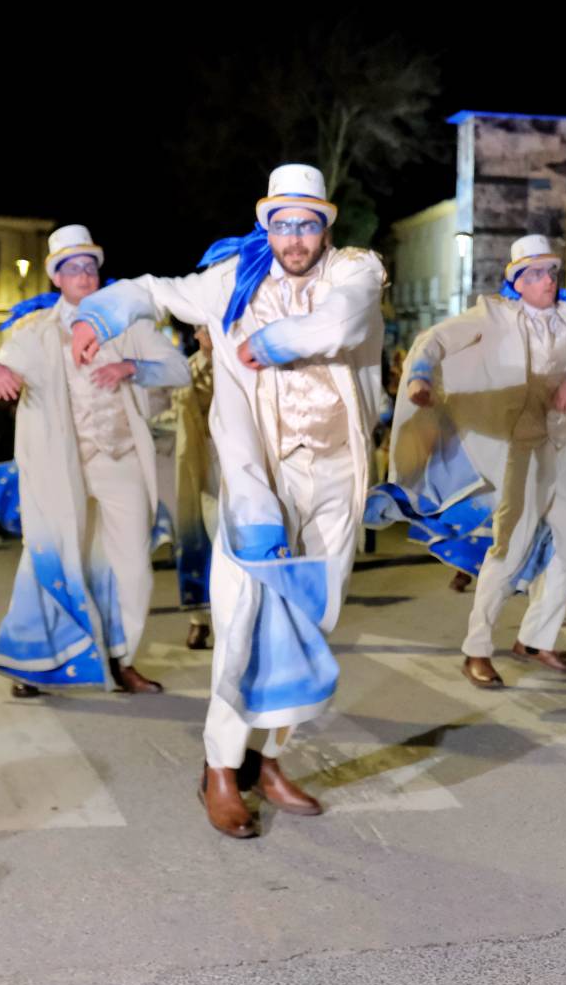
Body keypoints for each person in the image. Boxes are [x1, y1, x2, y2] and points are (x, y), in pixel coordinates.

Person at [71, 165, 387, 838]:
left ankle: (270, 758)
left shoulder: (355, 271)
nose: (295, 238)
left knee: (312, 625)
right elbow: (157, 289)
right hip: (258, 483)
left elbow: (340, 323)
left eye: (308, 224)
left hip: (335, 476)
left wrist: (268, 343)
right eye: (283, 224)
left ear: (325, 225)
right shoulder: (230, 284)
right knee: (241, 625)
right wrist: (101, 312)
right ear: (265, 224)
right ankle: (220, 768)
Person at [379, 235, 566, 689]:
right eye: (536, 273)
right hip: (517, 453)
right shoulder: (494, 315)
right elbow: (434, 339)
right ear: (517, 280)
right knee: (509, 549)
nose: (548, 280)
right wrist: (420, 375)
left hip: (561, 451)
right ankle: (476, 649)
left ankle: (535, 638)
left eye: (552, 271)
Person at [0, 225, 191, 697]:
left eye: (90, 266)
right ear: (56, 278)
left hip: (122, 460)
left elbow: (178, 370)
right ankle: (37, 665)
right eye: (72, 268)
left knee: (132, 565)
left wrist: (132, 367)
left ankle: (121, 660)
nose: (84, 276)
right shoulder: (34, 331)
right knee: (50, 556)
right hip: (61, 466)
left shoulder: (129, 323)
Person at [172, 324, 218, 649]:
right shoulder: (187, 368)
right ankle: (199, 620)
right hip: (200, 461)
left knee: (237, 541)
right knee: (197, 537)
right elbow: (182, 406)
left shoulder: (245, 362)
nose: (209, 336)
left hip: (239, 460)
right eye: (204, 329)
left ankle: (240, 620)